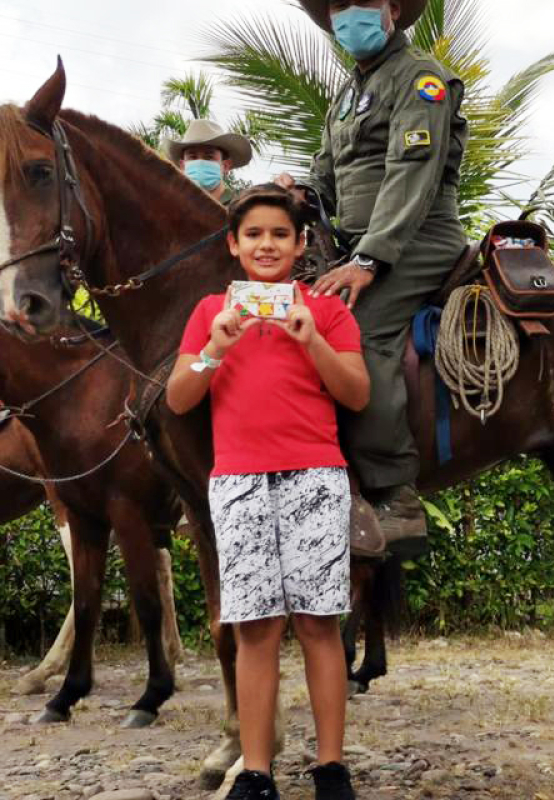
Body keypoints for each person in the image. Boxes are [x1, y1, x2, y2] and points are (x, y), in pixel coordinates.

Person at [166, 185, 369, 800]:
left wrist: (310, 339)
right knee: (254, 628)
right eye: (253, 234)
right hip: (238, 482)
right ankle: (257, 770)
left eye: (280, 234)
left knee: (317, 623)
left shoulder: (327, 311)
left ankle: (331, 767)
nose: (267, 245)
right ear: (233, 245)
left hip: (315, 476)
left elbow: (357, 394)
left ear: (301, 244)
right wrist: (212, 352)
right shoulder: (208, 313)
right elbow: (178, 398)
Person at [277, 0, 467, 557]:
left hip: (419, 239)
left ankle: (396, 496)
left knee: (353, 332)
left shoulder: (421, 79)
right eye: (340, 5)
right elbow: (329, 174)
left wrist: (369, 260)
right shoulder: (347, 94)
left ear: (391, 10)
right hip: (356, 243)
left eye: (365, 2)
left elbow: (414, 172)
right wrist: (302, 194)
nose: (350, 14)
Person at [165, 119, 254, 206]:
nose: (200, 162)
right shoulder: (174, 208)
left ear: (226, 165)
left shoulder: (241, 210)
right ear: (182, 166)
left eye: (209, 157)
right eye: (192, 157)